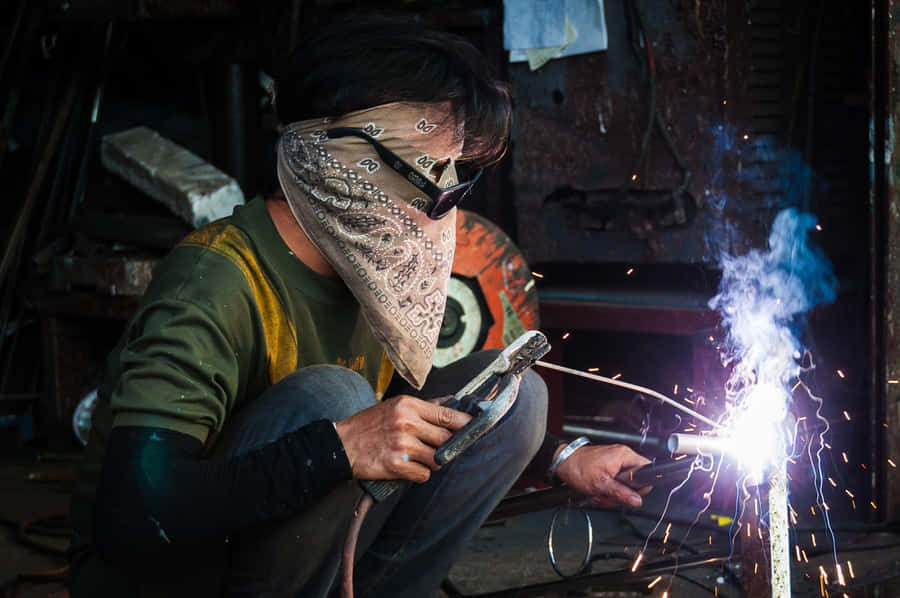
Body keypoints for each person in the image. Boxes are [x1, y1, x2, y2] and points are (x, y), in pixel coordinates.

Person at [67, 16, 651, 598]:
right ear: (346, 159)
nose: (441, 205)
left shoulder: (360, 262)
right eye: (429, 174)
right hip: (171, 576)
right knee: (336, 398)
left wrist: (561, 457)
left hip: (294, 544)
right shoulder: (215, 280)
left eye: (455, 176)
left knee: (513, 396)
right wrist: (340, 447)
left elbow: (412, 419)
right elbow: (132, 518)